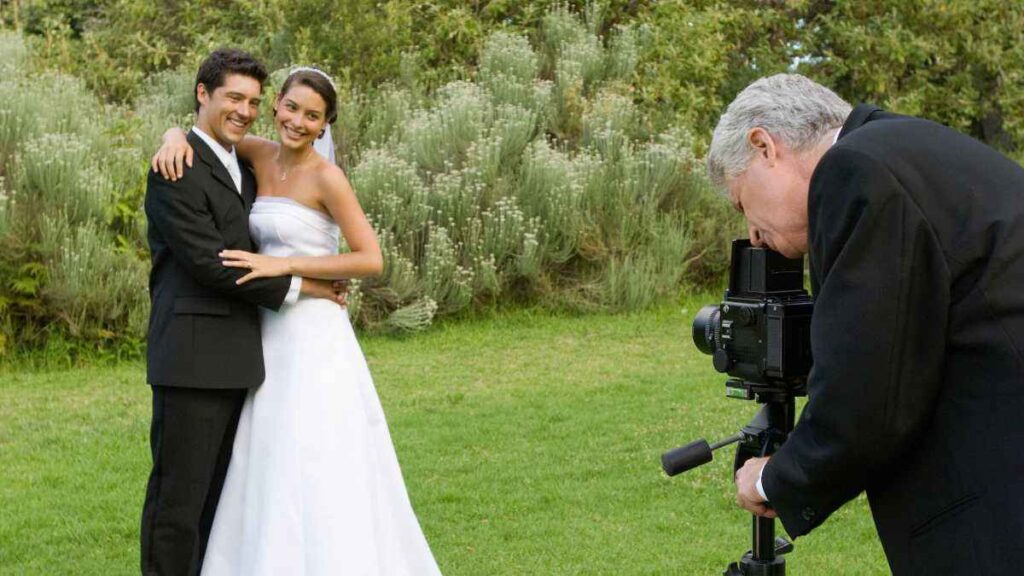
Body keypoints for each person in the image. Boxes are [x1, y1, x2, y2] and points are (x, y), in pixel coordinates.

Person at [709, 73, 1024, 574]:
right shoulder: (904, 148)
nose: (752, 233)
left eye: (742, 203)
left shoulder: (854, 171)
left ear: (764, 146)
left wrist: (774, 479)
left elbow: (871, 389)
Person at [152, 65, 442, 575]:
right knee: (260, 458)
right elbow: (207, 133)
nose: (298, 122)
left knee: (316, 451)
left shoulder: (327, 178)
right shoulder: (257, 154)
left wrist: (288, 264)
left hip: (313, 335)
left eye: (313, 116)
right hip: (261, 333)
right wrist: (172, 133)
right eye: (291, 108)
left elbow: (370, 258)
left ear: (326, 125)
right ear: (277, 105)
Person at [141, 48, 346, 575]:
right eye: (233, 97)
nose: (245, 110)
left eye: (253, 101)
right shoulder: (175, 167)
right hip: (190, 360)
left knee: (219, 503)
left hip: (243, 361)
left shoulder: (248, 162)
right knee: (178, 504)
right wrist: (309, 287)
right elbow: (214, 266)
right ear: (202, 93)